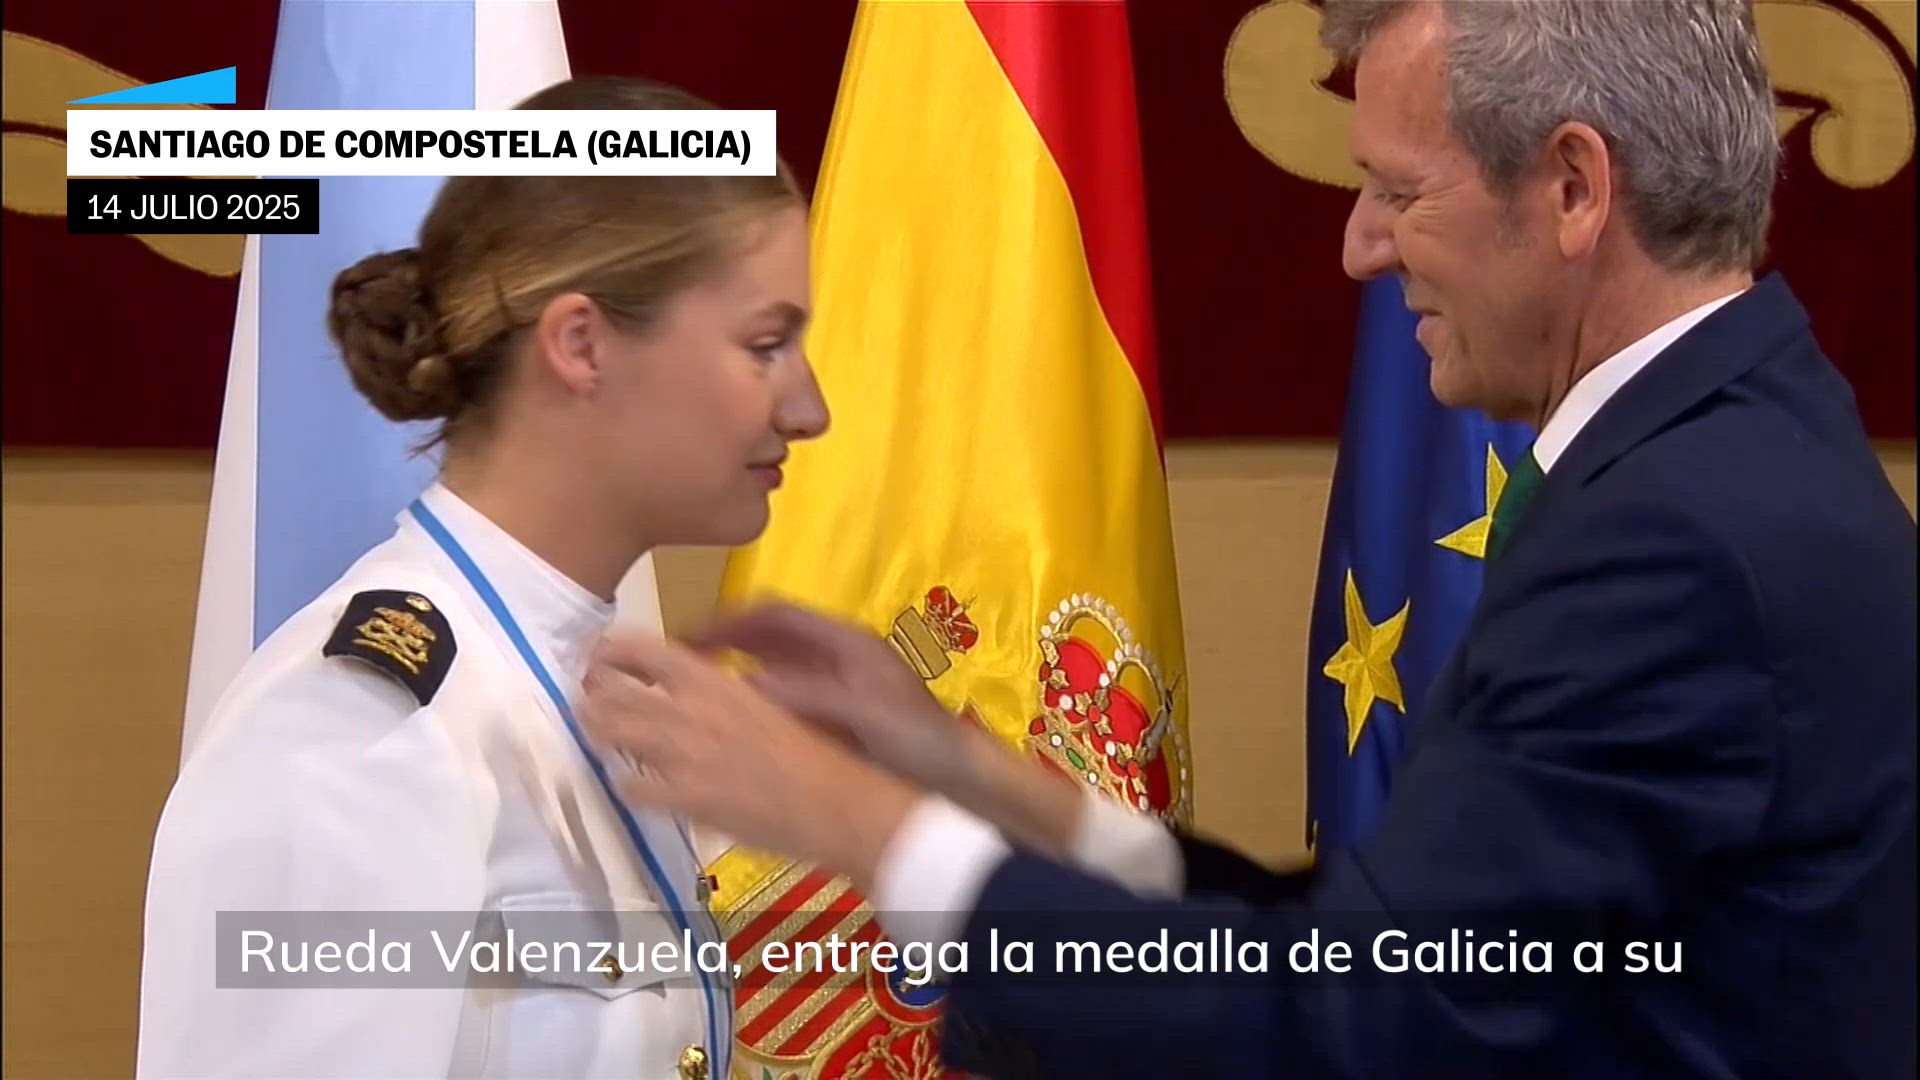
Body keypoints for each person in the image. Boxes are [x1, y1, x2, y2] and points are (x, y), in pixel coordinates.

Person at [577, 2, 1917, 1077]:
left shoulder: (1676, 540)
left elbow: (1359, 1025)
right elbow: (1401, 953)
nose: (1357, 249)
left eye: (1399, 191)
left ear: (1572, 187)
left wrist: (860, 824)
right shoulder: (1725, 448)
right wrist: (992, 786)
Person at [136, 76, 828, 1079]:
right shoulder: (363, 728)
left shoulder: (587, 683)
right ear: (583, 346)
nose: (809, 408)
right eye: (765, 346)